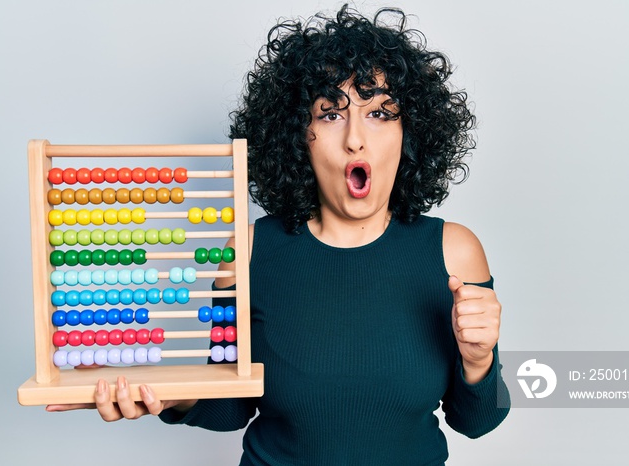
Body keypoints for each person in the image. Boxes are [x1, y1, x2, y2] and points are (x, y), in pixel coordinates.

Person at [48, 4, 510, 464]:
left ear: (409, 132)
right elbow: (228, 407)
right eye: (330, 114)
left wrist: (479, 361)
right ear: (296, 135)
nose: (355, 139)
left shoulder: (453, 251)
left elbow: (478, 422)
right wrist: (157, 396)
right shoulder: (249, 252)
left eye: (380, 113)